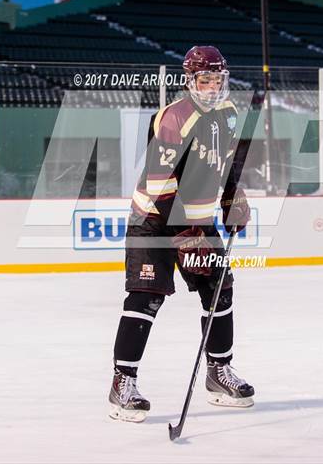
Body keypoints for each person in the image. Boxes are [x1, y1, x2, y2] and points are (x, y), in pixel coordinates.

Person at [109, 46, 254, 422]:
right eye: (204, 79)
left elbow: (223, 165)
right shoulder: (172, 118)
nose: (212, 86)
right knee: (146, 296)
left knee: (219, 288)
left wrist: (231, 200)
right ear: (189, 80)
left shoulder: (230, 114)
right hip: (154, 219)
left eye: (218, 78)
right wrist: (184, 233)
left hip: (198, 219)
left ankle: (218, 373)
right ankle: (122, 382)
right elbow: (161, 181)